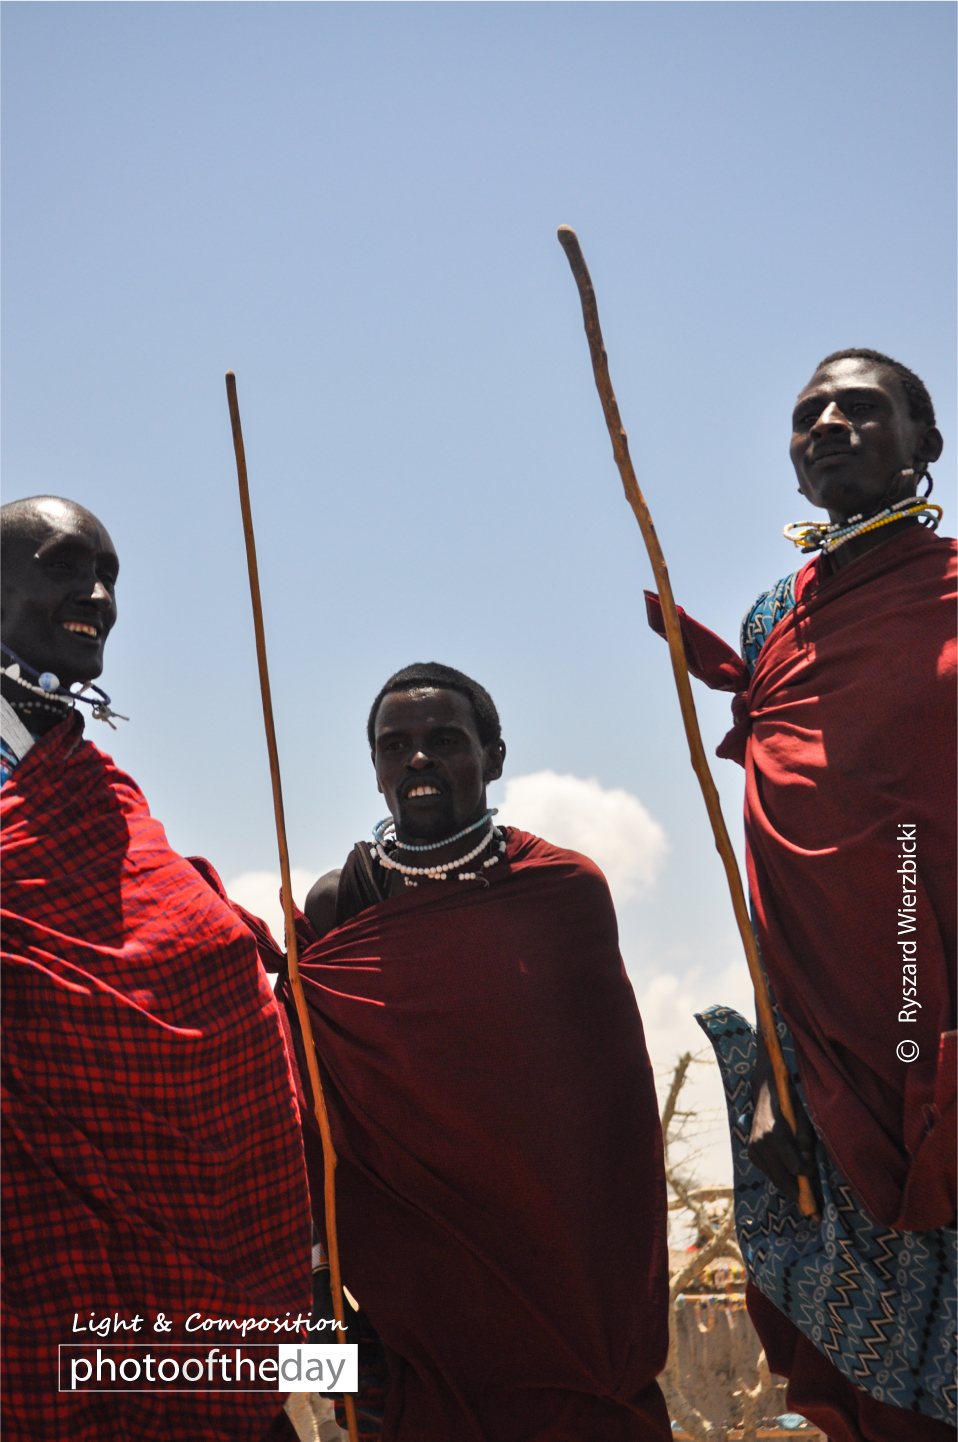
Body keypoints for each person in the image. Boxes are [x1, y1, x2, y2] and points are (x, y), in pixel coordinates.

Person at [647, 349, 956, 1442]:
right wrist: (779, 1067)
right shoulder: (776, 615)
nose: (825, 422)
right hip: (830, 1055)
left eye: (859, 407)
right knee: (860, 1369)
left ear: (926, 441)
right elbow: (787, 870)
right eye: (805, 413)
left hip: (947, 1023)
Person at [267, 662, 670, 1441]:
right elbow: (307, 1114)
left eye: (444, 740)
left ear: (493, 757)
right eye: (396, 746)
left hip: (560, 1279)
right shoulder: (338, 903)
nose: (417, 759)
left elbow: (614, 1114)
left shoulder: (562, 891)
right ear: (377, 769)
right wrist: (321, 1300)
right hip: (411, 1292)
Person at [1, 495, 313, 1441]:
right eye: (65, 566)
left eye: (111, 577)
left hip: (222, 1266)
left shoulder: (96, 786)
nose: (98, 595)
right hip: (40, 1264)